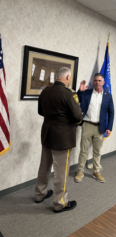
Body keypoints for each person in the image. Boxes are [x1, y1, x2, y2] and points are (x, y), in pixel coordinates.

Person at [34, 67, 83, 213]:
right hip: (62, 137)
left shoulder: (45, 91)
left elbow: (40, 112)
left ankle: (39, 194)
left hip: (47, 134)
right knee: (61, 171)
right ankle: (59, 203)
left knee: (44, 166)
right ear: (67, 77)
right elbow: (78, 116)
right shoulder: (69, 93)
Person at [74, 73, 114, 183]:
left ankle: (96, 171)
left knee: (97, 151)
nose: (97, 82)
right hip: (87, 125)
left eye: (99, 80)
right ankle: (80, 171)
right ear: (93, 82)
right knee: (83, 150)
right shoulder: (86, 93)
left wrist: (109, 127)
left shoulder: (108, 96)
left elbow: (111, 113)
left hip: (100, 127)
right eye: (95, 80)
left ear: (103, 82)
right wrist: (79, 91)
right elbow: (75, 101)